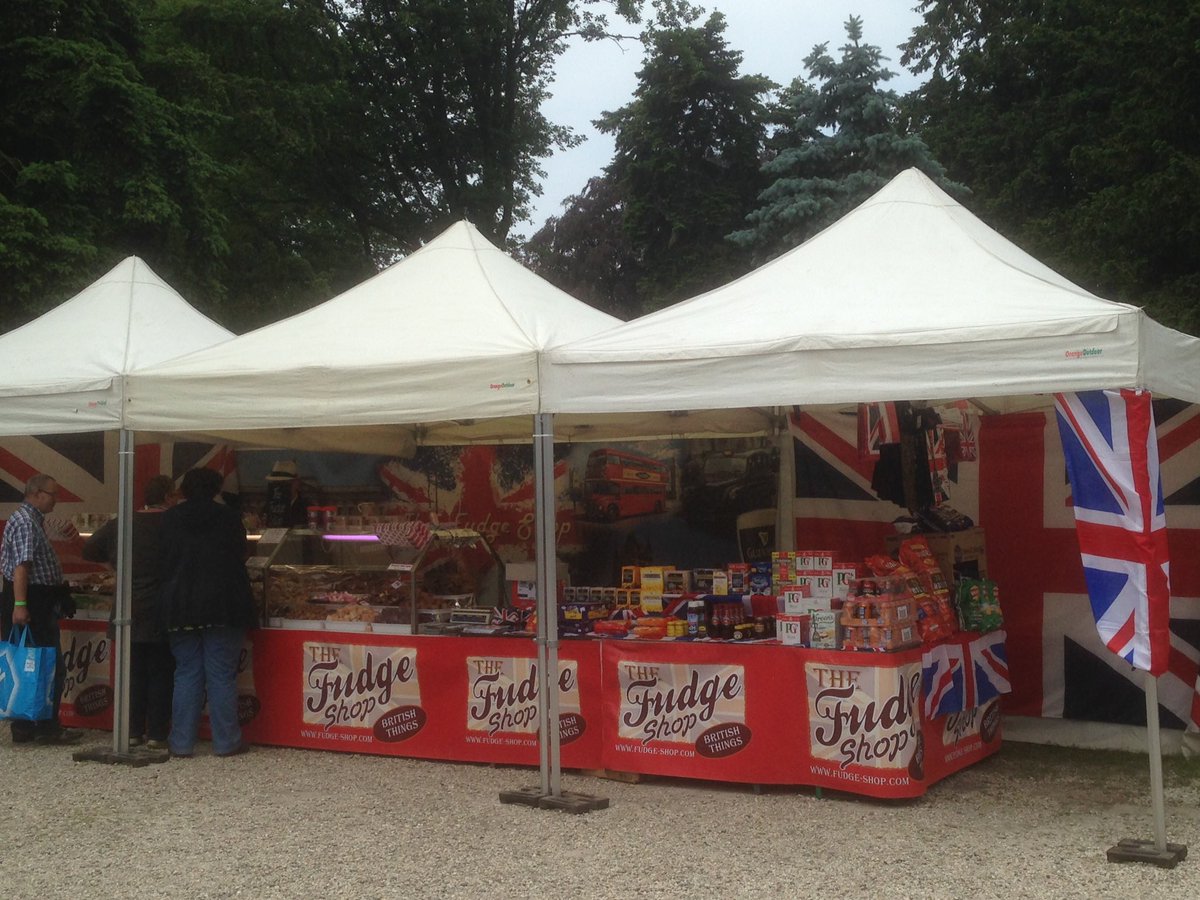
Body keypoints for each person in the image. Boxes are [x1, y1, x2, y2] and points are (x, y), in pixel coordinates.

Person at [159, 468, 256, 758]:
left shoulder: (169, 518)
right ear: (215, 488)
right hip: (223, 603)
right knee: (221, 674)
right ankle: (226, 742)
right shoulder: (228, 517)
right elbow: (242, 552)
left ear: (184, 489)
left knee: (186, 672)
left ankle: (180, 743)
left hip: (180, 604)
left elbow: (161, 557)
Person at [82, 474, 178, 748]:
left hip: (127, 606)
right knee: (161, 671)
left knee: (133, 673)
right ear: (168, 496)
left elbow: (89, 548)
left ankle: (133, 731)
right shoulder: (172, 523)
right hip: (162, 606)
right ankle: (158, 734)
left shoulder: (122, 522)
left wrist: (114, 568)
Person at [0, 474, 81, 744]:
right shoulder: (25, 521)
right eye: (52, 494)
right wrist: (20, 604)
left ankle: (25, 725)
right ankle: (46, 725)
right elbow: (22, 566)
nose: (56, 499)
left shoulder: (31, 520)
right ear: (35, 493)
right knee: (46, 663)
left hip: (35, 598)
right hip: (33, 601)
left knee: (27, 664)